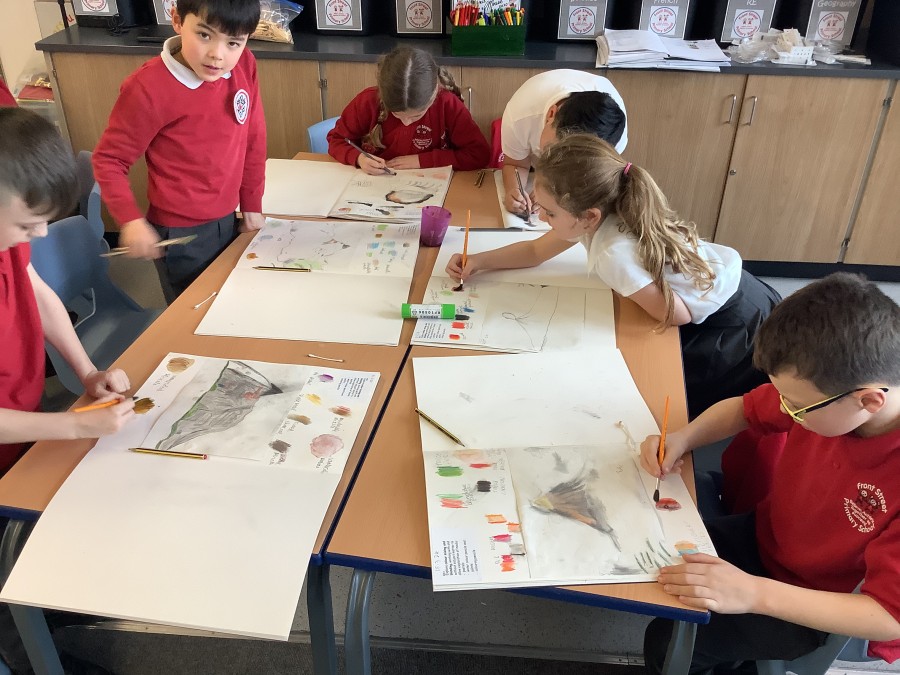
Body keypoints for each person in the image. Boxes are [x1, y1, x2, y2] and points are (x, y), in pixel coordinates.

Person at [640, 272, 900, 673]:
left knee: (670, 641)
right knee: (650, 551)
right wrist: (682, 438)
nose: (784, 408)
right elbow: (744, 408)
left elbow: (887, 616)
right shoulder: (827, 396)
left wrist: (753, 593)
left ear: (869, 401)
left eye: (795, 406)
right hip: (766, 539)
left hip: (811, 605)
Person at [446, 134, 780, 417]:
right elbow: (535, 251)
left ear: (588, 217)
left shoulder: (612, 253)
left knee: (660, 397)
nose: (541, 218)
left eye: (549, 212)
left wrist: (631, 295)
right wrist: (479, 261)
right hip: (741, 289)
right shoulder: (603, 207)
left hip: (735, 328)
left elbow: (674, 314)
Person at [0, 107, 135, 675]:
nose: (40, 235)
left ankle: (40, 608)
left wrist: (85, 372)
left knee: (22, 532)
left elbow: (37, 293)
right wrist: (74, 424)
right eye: (27, 224)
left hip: (19, 427)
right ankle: (24, 649)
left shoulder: (8, 237)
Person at [92, 0, 266, 304]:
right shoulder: (147, 87)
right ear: (177, 20)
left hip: (230, 216)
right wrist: (130, 219)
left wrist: (252, 203)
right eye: (204, 35)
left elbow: (253, 135)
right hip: (181, 232)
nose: (217, 54)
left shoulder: (244, 64)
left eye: (233, 42)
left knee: (234, 302)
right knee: (196, 313)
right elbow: (109, 160)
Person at [326, 46, 490, 174]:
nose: (406, 123)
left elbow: (479, 154)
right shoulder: (367, 101)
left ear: (435, 92)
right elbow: (337, 140)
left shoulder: (448, 104)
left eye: (417, 115)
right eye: (397, 114)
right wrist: (359, 158)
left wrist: (422, 161)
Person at [499, 69, 627, 215]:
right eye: (552, 150)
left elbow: (592, 177)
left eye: (576, 161)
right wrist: (514, 190)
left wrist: (555, 192)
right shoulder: (520, 116)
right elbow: (516, 164)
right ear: (551, 115)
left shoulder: (613, 131)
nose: (558, 165)